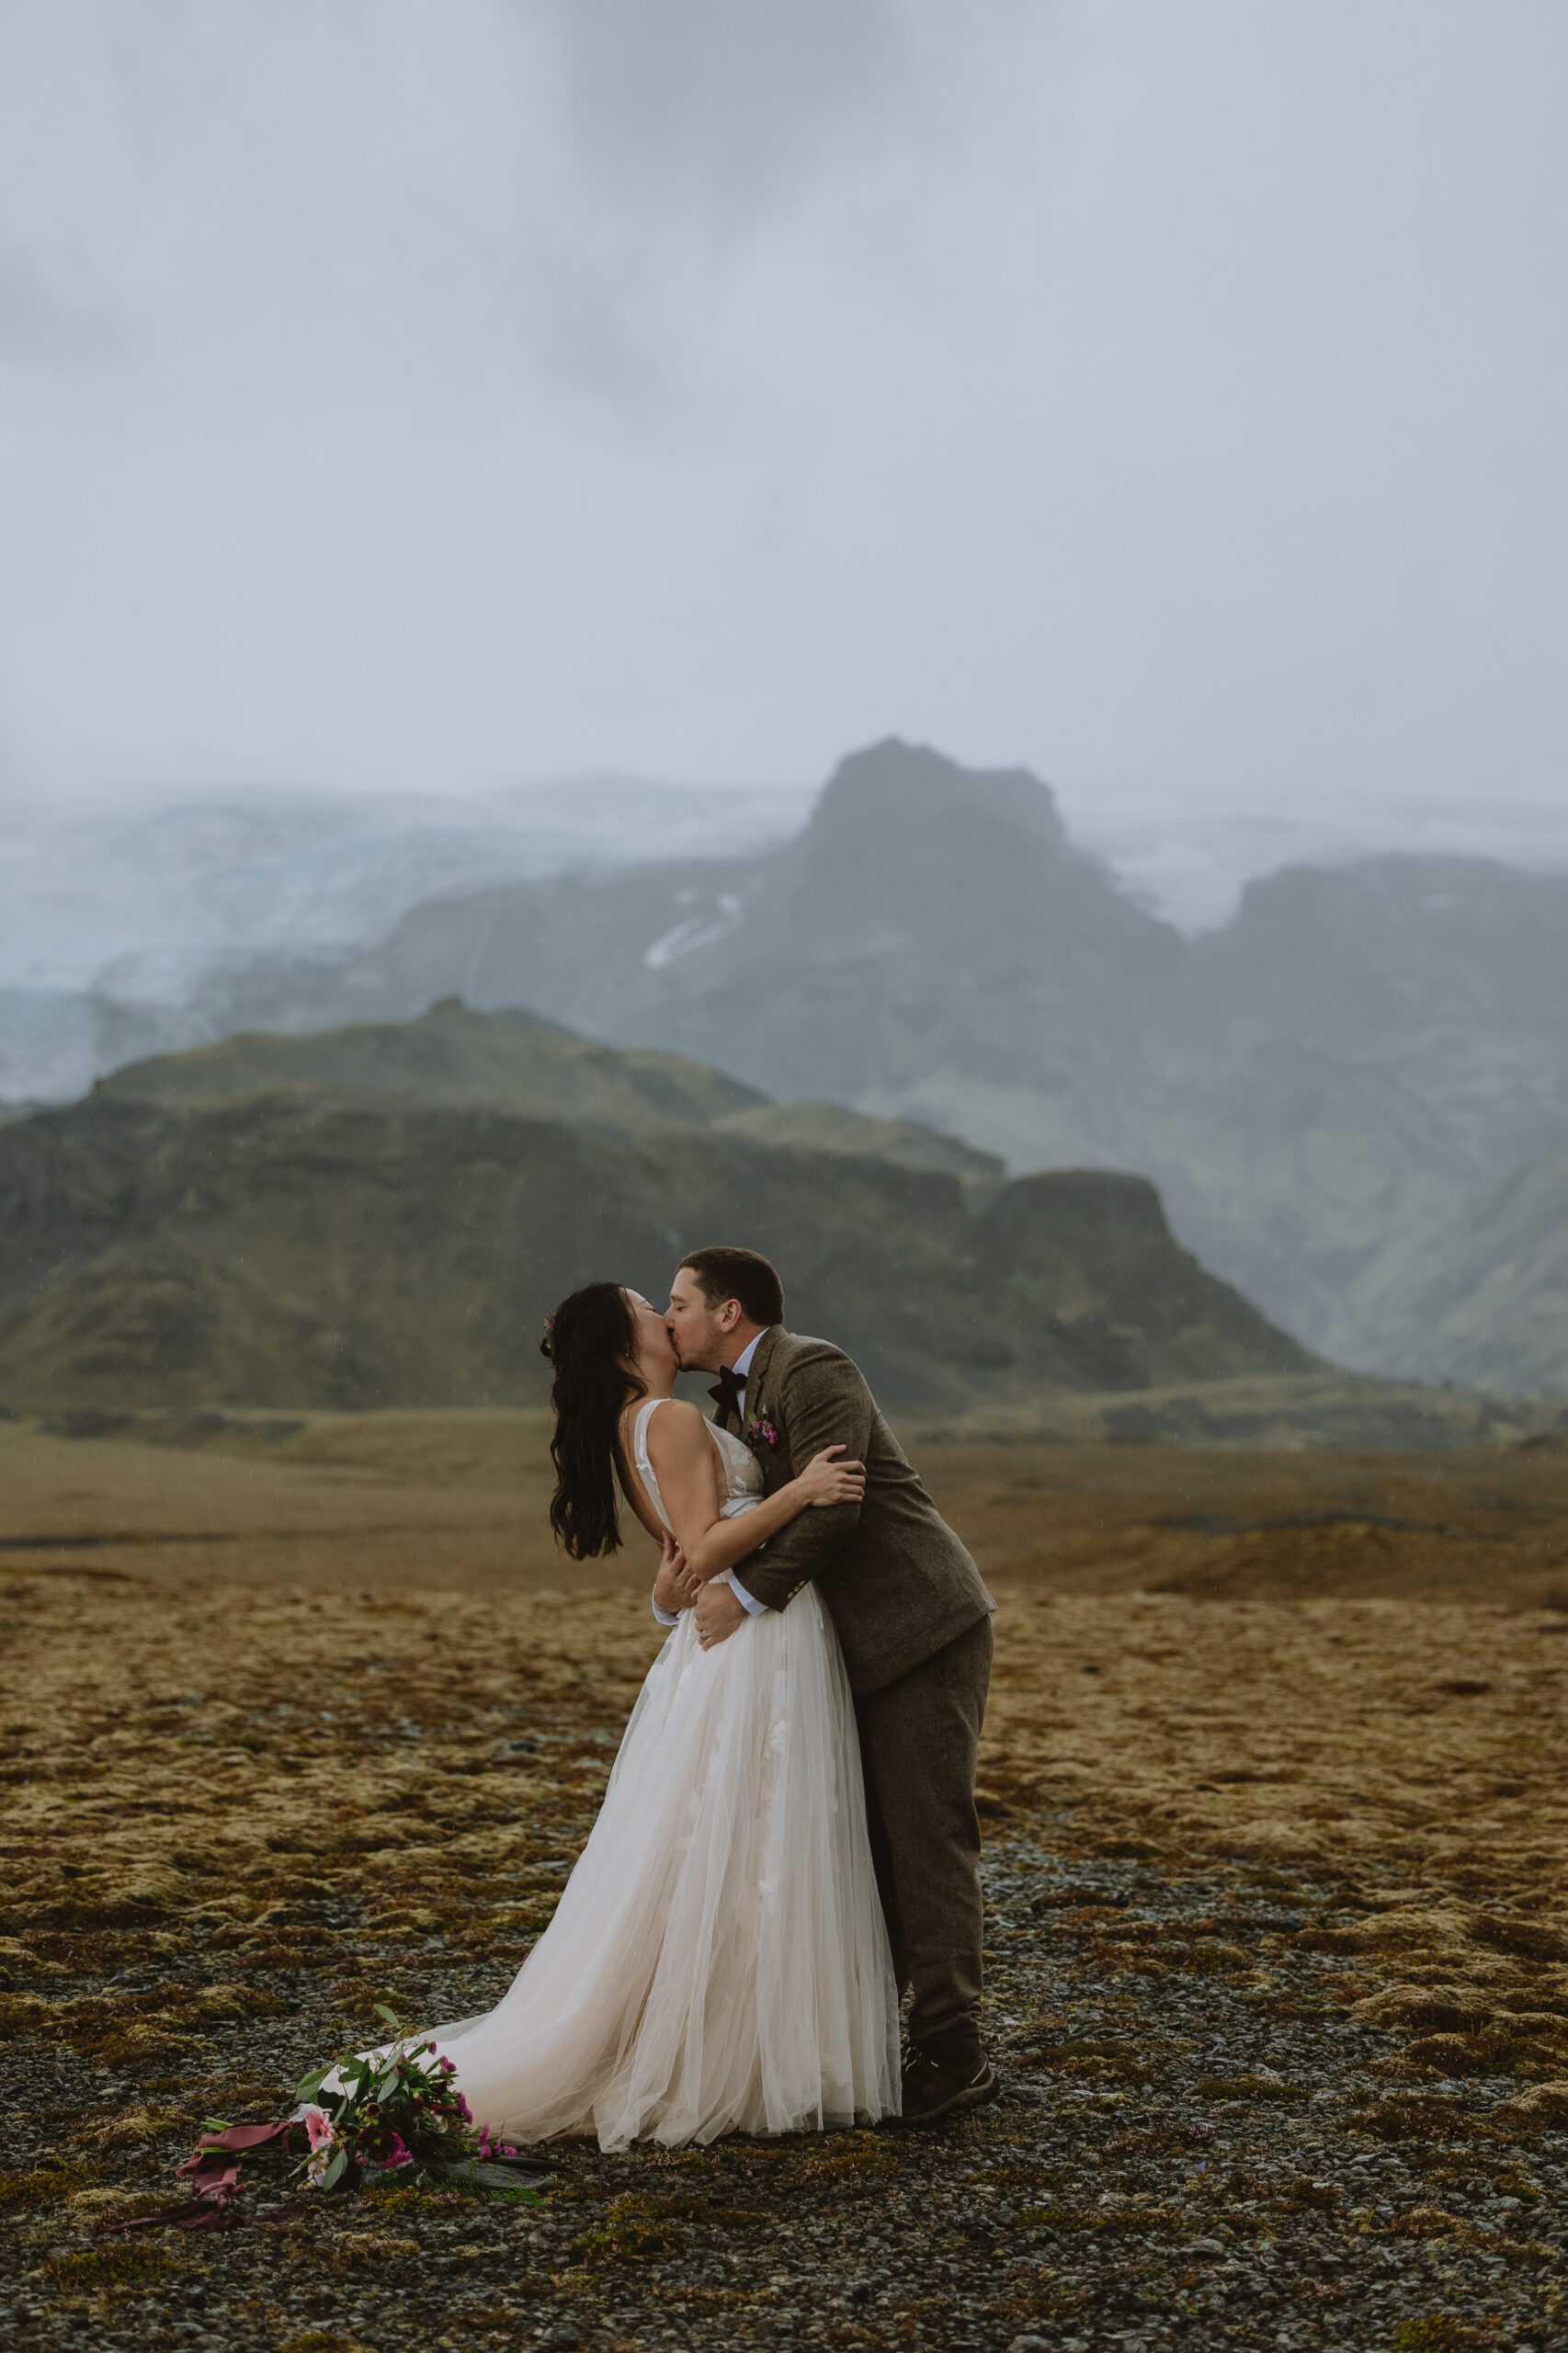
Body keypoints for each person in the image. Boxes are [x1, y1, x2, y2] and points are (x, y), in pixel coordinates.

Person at [346, 1280, 900, 2151]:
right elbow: (710, 1545)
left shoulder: (632, 1426)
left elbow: (679, 1557)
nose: (664, 1314)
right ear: (621, 1341)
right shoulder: (669, 1421)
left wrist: (671, 1587)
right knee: (759, 1827)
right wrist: (801, 1493)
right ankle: (746, 2054)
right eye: (650, 1306)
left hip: (731, 1634)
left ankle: (745, 2043)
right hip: (757, 1640)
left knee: (734, 1832)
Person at [666, 1246, 999, 2126]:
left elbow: (840, 1505)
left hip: (920, 1625)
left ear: (729, 1313)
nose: (670, 1321)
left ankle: (954, 2049)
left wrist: (741, 1595)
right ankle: (880, 2034)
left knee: (926, 1834)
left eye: (679, 1304)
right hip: (850, 1647)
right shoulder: (729, 1400)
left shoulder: (812, 1367)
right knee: (866, 1840)